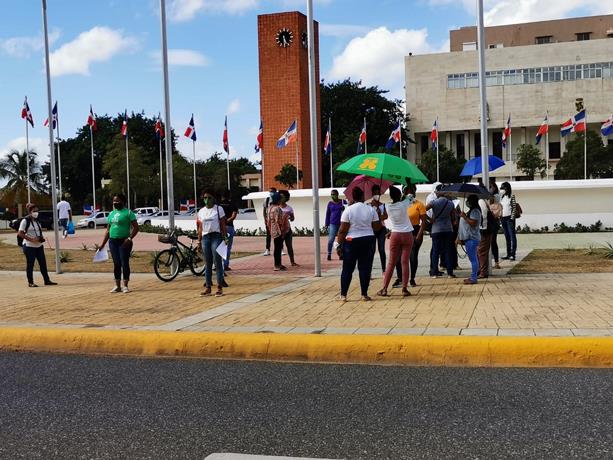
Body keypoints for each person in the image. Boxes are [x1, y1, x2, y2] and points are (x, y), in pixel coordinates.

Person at [336, 187, 381, 302]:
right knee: (365, 268)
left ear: (353, 197)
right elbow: (377, 227)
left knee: (347, 269)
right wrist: (377, 214)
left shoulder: (348, 210)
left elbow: (342, 230)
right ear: (362, 197)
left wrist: (338, 244)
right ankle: (364, 294)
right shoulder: (371, 209)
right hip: (368, 239)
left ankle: (343, 295)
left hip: (351, 241)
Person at [377, 185, 414, 297]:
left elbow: (383, 217)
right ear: (400, 195)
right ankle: (404, 288)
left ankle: (384, 289)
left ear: (391, 196)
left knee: (391, 263)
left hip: (395, 234)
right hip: (407, 234)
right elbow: (411, 195)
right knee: (404, 262)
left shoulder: (387, 206)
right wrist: (408, 183)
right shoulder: (404, 204)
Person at [99, 194, 138, 293]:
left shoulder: (128, 213)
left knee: (124, 263)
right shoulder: (111, 213)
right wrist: (103, 244)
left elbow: (136, 228)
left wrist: (129, 238)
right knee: (116, 263)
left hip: (124, 241)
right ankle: (117, 286)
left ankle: (125, 285)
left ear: (123, 201)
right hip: (113, 241)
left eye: (117, 201)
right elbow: (108, 230)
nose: (115, 203)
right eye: (114, 201)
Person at [393, 183, 427, 288]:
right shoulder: (400, 204)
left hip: (415, 231)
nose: (410, 193)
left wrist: (419, 235)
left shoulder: (419, 204)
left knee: (412, 256)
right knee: (398, 257)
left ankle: (412, 278)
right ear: (403, 192)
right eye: (407, 191)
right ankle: (400, 278)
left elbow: (424, 222)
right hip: (402, 230)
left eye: (412, 190)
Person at [197, 190, 228, 297]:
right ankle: (208, 287)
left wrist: (225, 238)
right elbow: (200, 227)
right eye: (205, 198)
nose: (207, 200)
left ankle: (219, 287)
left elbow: (223, 224)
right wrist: (199, 241)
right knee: (207, 263)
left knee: (217, 262)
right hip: (206, 237)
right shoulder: (201, 211)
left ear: (214, 198)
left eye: (209, 198)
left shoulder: (219, 209)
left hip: (216, 236)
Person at [18, 203, 57, 288]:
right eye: (34, 211)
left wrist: (41, 238)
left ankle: (47, 280)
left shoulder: (37, 220)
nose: (36, 213)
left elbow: (38, 231)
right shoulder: (25, 221)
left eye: (37, 211)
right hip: (29, 246)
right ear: (30, 212)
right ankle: (30, 282)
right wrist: (31, 239)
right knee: (30, 264)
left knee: (43, 263)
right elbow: (20, 233)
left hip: (39, 246)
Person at [426, 191, 456, 278]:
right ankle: (450, 273)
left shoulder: (434, 202)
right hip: (448, 229)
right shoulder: (451, 204)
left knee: (435, 251)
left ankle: (434, 272)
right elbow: (453, 217)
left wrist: (430, 219)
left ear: (438, 193)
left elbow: (423, 210)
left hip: (436, 229)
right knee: (447, 251)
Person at [458, 194, 482, 285]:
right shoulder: (472, 211)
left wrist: (464, 217)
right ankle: (473, 276)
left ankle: (473, 278)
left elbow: (473, 223)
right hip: (469, 238)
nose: (467, 202)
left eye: (468, 200)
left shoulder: (475, 211)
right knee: (473, 258)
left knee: (473, 259)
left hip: (472, 238)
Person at [267, 191, 289, 271]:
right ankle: (277, 265)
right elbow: (278, 221)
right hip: (278, 230)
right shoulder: (277, 209)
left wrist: (270, 229)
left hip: (272, 229)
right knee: (278, 248)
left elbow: (268, 220)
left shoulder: (270, 208)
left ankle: (278, 264)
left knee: (277, 247)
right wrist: (282, 231)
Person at [370, 184, 388, 273]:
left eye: (378, 193)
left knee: (381, 250)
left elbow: (386, 216)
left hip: (381, 229)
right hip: (372, 229)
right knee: (371, 250)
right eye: (375, 193)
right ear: (372, 194)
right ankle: (369, 270)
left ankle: (384, 270)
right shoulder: (369, 205)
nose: (377, 195)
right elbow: (368, 218)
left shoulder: (382, 205)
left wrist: (379, 215)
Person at [279, 190, 298, 266]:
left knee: (289, 246)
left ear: (286, 198)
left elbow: (293, 218)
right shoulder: (276, 207)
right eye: (280, 196)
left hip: (287, 230)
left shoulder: (289, 208)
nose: (281, 198)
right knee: (279, 247)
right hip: (279, 230)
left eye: (283, 197)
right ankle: (278, 263)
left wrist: (290, 217)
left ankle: (292, 262)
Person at [219, 193, 238, 272]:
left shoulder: (219, 206)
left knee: (220, 246)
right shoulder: (233, 205)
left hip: (220, 228)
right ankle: (225, 265)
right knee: (227, 247)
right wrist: (227, 221)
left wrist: (222, 223)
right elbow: (233, 216)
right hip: (229, 228)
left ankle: (218, 264)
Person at [325, 189, 345, 261]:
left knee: (341, 240)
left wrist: (344, 208)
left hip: (341, 223)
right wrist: (326, 224)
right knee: (331, 239)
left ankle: (341, 254)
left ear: (337, 194)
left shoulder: (343, 202)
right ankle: (329, 254)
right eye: (332, 194)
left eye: (334, 194)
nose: (333, 196)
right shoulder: (330, 203)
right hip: (332, 223)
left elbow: (348, 208)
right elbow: (328, 214)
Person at [500, 181, 518, 261]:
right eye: (501, 187)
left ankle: (513, 254)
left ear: (507, 188)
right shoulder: (502, 197)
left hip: (509, 219)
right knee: (507, 237)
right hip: (503, 219)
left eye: (503, 187)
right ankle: (508, 254)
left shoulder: (512, 196)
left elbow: (514, 208)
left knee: (512, 236)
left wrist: (512, 218)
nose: (501, 189)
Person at [477, 198, 493, 279]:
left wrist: (481, 225)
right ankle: (481, 270)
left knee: (481, 251)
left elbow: (484, 215)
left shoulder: (481, 201)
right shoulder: (483, 201)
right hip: (484, 229)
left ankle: (483, 272)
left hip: (484, 229)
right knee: (480, 251)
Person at [488, 195, 502, 269]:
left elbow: (498, 214)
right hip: (489, 225)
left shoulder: (498, 205)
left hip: (494, 225)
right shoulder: (488, 205)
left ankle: (496, 262)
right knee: (491, 243)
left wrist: (492, 213)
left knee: (493, 242)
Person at [262, 187, 277, 256]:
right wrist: (265, 219)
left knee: (278, 234)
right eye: (270, 191)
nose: (271, 193)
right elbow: (264, 210)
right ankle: (267, 249)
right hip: (268, 220)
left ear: (275, 192)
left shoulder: (277, 199)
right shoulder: (267, 200)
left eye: (272, 191)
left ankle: (280, 249)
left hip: (276, 220)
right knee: (268, 235)